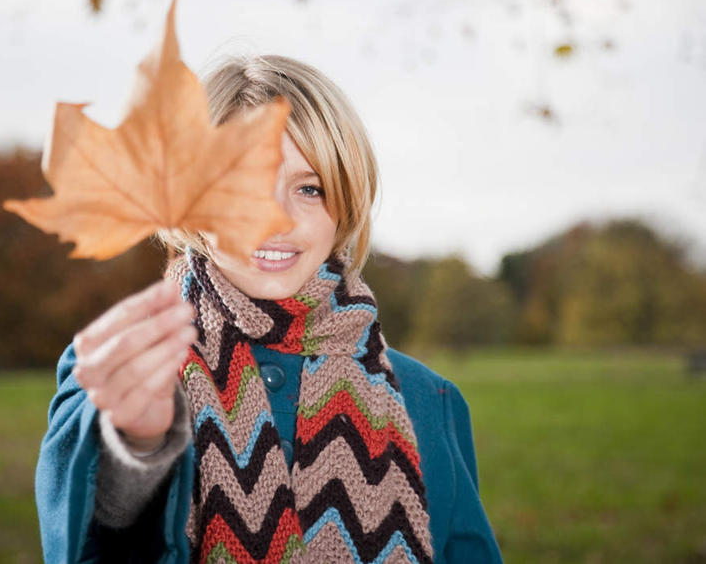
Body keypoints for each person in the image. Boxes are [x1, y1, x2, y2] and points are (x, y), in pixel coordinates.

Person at [35, 53, 503, 564]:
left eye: (309, 188)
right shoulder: (124, 372)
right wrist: (139, 451)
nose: (276, 219)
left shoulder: (426, 401)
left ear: (345, 204)